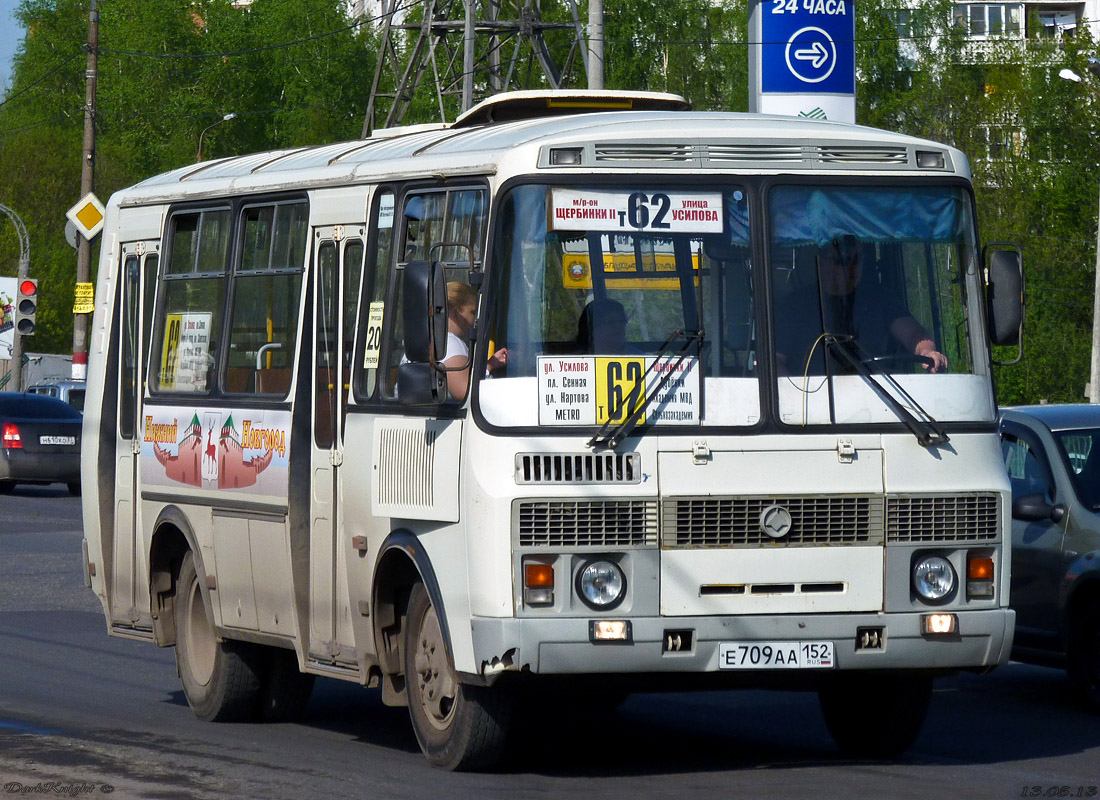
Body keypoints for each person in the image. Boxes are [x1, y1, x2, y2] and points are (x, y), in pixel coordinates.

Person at [775, 235, 948, 377]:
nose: (849, 268)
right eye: (841, 261)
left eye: (855, 260)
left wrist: (927, 352)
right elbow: (775, 362)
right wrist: (799, 401)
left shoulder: (880, 298)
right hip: (815, 410)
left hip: (881, 403)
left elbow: (913, 334)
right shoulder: (795, 306)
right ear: (822, 262)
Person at [442, 281, 507, 401]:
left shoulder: (432, 341)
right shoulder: (451, 344)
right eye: (473, 312)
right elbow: (468, 394)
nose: (476, 319)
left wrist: (489, 364)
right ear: (456, 313)